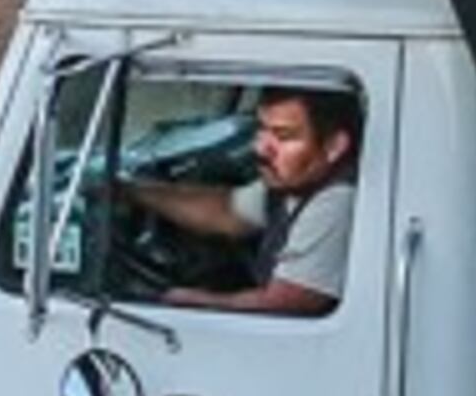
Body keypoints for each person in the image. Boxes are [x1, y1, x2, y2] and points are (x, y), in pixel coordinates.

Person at [123, 85, 359, 318]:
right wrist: (132, 192)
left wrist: (184, 300)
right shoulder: (295, 182)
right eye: (262, 130)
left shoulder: (338, 201)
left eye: (283, 136)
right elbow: (227, 212)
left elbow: (285, 303)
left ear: (333, 146)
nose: (260, 148)